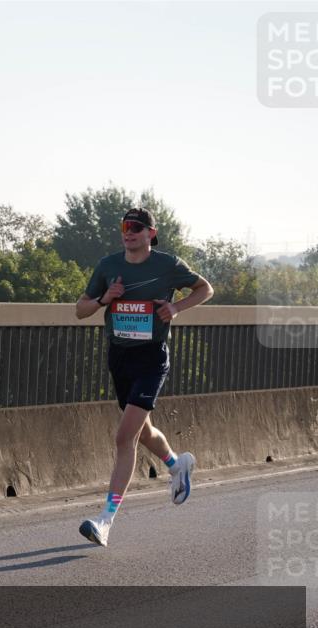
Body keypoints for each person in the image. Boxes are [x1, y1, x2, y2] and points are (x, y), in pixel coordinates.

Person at [74, 208, 214, 547]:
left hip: (151, 358)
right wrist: (105, 299)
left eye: (136, 227)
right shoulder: (109, 266)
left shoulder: (167, 265)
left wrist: (176, 308)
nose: (129, 232)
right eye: (124, 226)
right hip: (119, 357)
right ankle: (176, 464)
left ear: (151, 233)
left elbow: (205, 288)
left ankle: (105, 521)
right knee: (143, 430)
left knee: (125, 438)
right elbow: (80, 309)